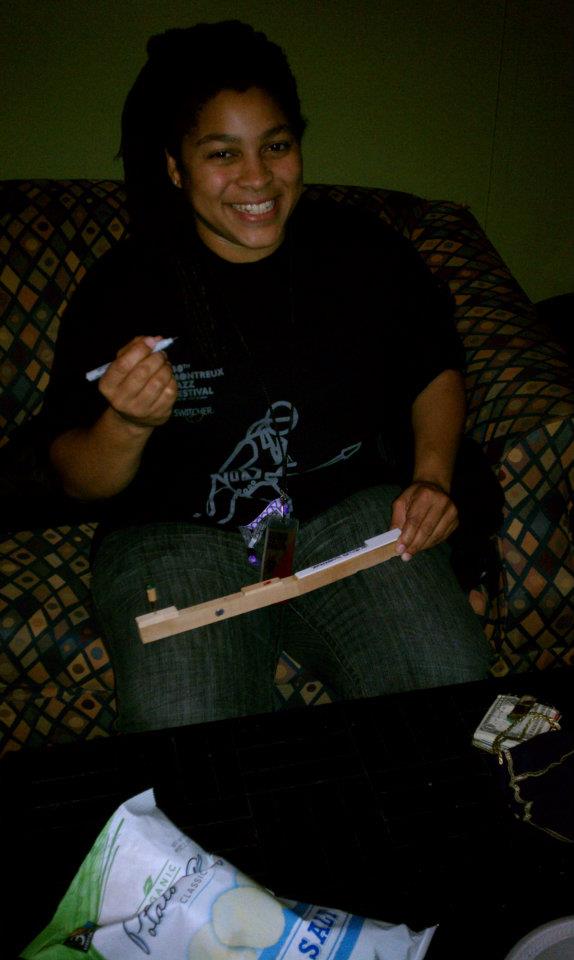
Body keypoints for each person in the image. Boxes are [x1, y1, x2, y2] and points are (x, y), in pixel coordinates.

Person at [40, 20, 494, 735]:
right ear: (176, 167)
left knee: (449, 688)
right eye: (223, 153)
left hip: (349, 517)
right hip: (178, 535)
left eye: (276, 146)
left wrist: (432, 477)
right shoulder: (123, 286)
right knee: (186, 729)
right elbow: (76, 480)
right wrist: (125, 423)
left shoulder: (361, 250)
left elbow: (433, 365)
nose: (257, 178)